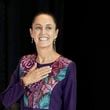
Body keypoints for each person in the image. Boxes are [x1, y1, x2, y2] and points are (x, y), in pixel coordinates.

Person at [0, 11, 77, 110]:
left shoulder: (67, 66)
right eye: (38, 27)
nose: (43, 32)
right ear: (31, 33)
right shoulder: (24, 62)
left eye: (48, 28)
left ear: (56, 33)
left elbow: (70, 106)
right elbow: (6, 101)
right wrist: (26, 81)